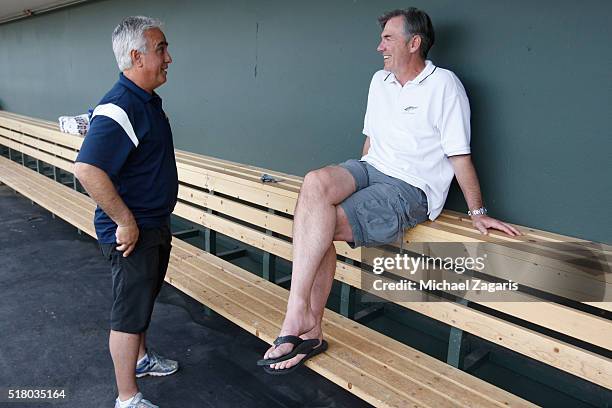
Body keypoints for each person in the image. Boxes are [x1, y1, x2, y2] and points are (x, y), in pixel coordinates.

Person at [258, 7, 521, 374]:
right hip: (372, 168)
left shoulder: (444, 85)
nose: (378, 46)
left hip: (410, 188)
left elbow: (460, 156)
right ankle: (304, 319)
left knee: (320, 224)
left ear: (414, 43)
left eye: (387, 38)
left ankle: (301, 322)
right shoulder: (379, 81)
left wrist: (478, 213)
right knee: (315, 183)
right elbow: (370, 141)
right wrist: (353, 182)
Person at [74, 16, 178, 408]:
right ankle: (127, 397)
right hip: (133, 231)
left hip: (152, 225)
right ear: (136, 56)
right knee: (128, 313)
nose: (169, 57)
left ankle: (143, 359)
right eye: (161, 49)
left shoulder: (143, 101)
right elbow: (87, 168)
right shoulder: (119, 106)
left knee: (143, 300)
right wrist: (125, 221)